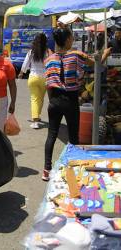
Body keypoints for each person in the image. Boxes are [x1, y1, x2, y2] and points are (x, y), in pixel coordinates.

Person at [43, 27, 112, 181]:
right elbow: (97, 64)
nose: (73, 40)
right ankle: (71, 169)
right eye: (72, 37)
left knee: (51, 135)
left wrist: (52, 100)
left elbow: (48, 85)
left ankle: (46, 169)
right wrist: (105, 54)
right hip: (70, 99)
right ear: (67, 40)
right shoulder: (76, 55)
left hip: (54, 100)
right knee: (73, 136)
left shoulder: (48, 59)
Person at [19, 33, 52, 129]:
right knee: (40, 99)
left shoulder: (31, 52)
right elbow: (51, 64)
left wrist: (21, 73)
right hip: (44, 78)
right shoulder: (47, 52)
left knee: (34, 98)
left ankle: (35, 121)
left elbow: (25, 64)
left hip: (33, 77)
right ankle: (37, 116)